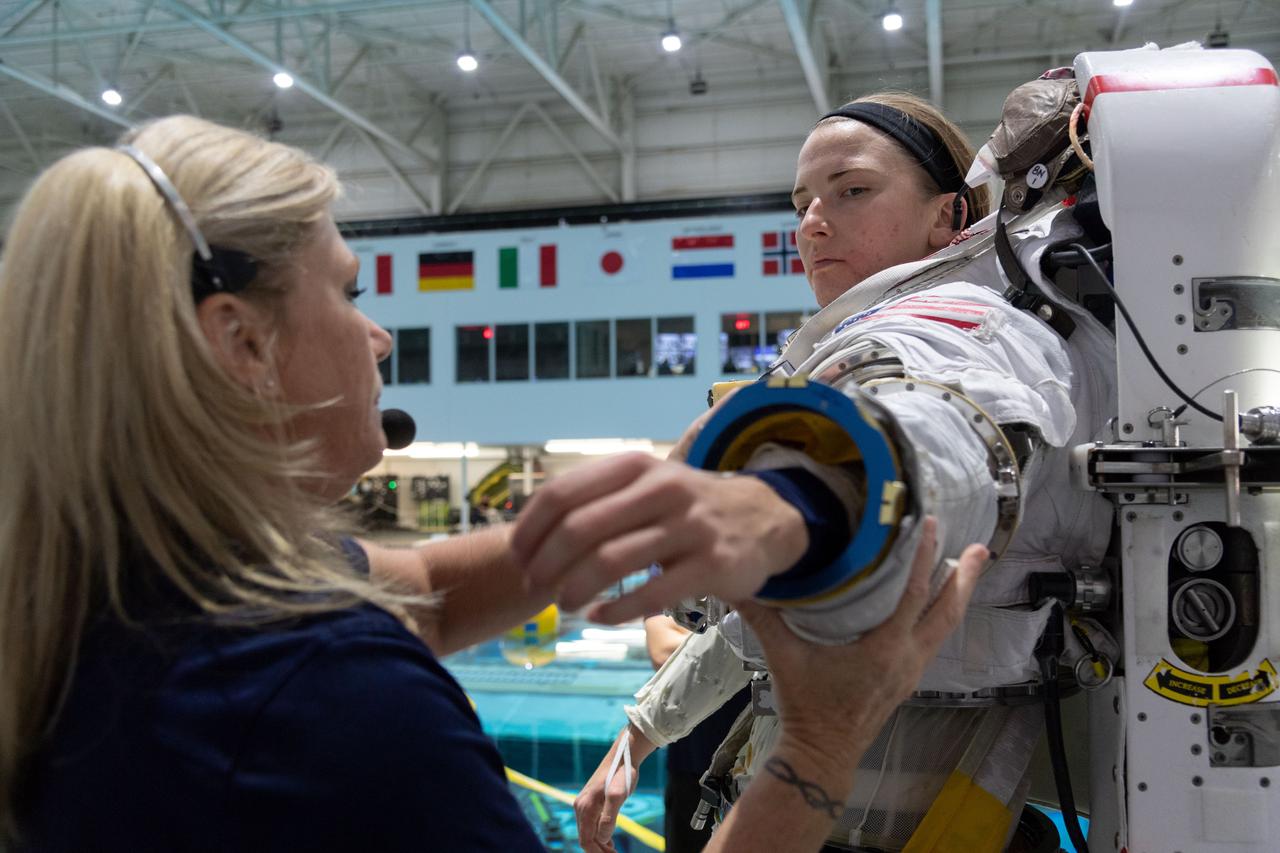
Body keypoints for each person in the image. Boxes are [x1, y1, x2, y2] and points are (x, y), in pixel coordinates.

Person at [0, 114, 984, 853]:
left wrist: (665, 490)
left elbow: (415, 593)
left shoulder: (126, 588)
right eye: (349, 293)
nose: (375, 333)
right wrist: (814, 750)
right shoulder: (338, 705)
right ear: (242, 343)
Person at [514, 90, 1114, 852]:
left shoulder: (970, 329)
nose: (813, 223)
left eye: (853, 190)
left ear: (950, 217)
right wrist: (640, 731)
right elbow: (758, 625)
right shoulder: (873, 338)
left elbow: (946, 434)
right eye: (801, 202)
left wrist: (809, 504)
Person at [643, 614, 751, 852]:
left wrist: (702, 637)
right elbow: (662, 651)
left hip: (769, 766)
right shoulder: (671, 580)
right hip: (694, 768)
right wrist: (743, 640)